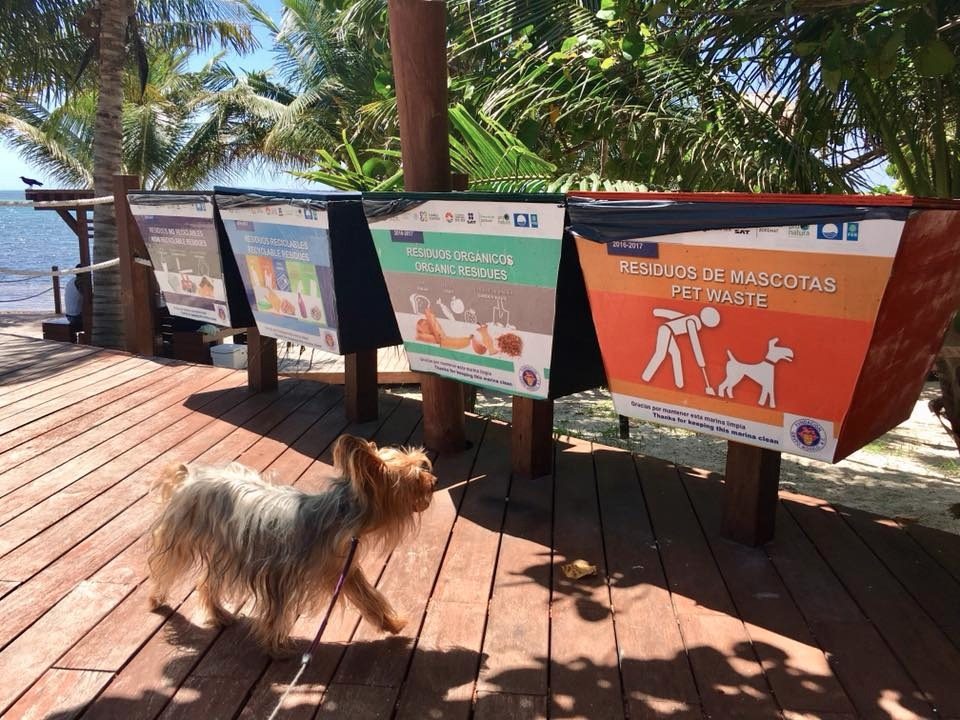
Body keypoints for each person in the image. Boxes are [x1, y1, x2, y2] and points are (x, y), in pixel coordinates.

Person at [63, 265, 89, 332]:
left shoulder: (71, 280)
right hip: (76, 318)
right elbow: (88, 298)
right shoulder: (80, 282)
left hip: (69, 316)